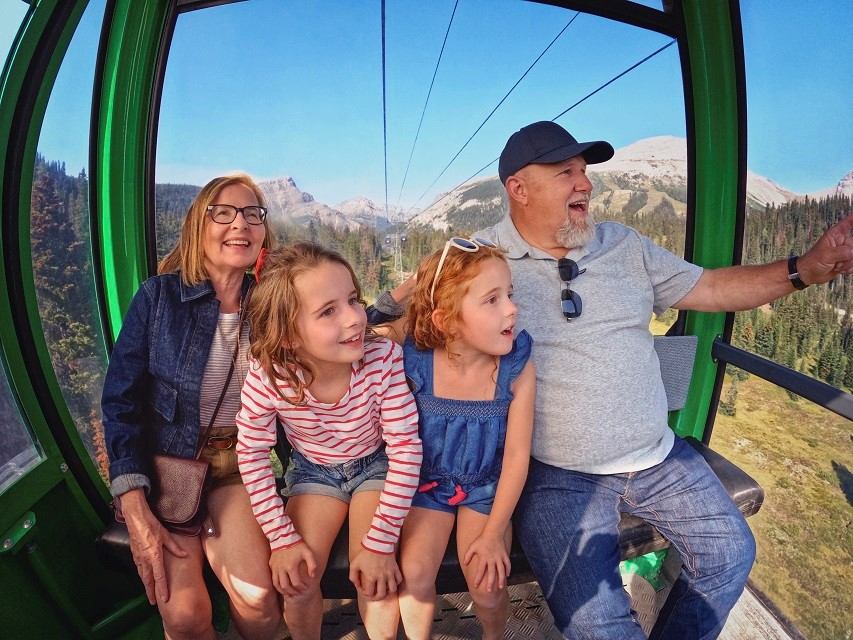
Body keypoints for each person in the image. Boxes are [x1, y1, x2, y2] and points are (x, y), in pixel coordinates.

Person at [376, 120, 853, 639]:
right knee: (599, 627)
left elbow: (713, 288)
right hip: (557, 474)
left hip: (657, 456)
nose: (585, 183)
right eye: (566, 172)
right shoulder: (476, 259)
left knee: (730, 553)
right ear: (519, 189)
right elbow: (402, 323)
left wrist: (804, 269)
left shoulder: (625, 246)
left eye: (584, 171)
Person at [102, 174, 281, 640]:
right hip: (170, 469)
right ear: (197, 226)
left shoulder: (271, 304)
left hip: (239, 465)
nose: (240, 224)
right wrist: (133, 502)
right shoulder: (158, 298)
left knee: (258, 599)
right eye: (223, 213)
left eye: (252, 214)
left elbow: (334, 319)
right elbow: (120, 403)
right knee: (185, 616)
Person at [234, 242, 423, 640]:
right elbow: (251, 452)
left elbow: (405, 447)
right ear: (288, 335)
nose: (354, 318)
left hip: (375, 464)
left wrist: (381, 542)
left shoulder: (381, 359)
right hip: (314, 472)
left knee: (374, 578)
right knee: (298, 580)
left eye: (353, 300)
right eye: (328, 311)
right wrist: (282, 538)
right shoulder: (270, 376)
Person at [392, 238, 536, 640]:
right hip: (428, 484)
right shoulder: (415, 360)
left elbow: (516, 456)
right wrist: (406, 292)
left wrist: (493, 535)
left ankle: (494, 633)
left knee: (487, 583)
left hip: (486, 487)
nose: (512, 308)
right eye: (492, 300)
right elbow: (362, 331)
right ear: (447, 321)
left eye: (509, 294)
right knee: (414, 573)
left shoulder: (515, 368)